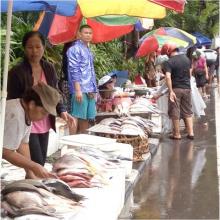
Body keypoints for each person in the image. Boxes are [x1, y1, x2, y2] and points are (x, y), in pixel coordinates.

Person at [7, 31, 75, 166]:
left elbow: (54, 92)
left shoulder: (49, 68)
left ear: (44, 47)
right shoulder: (17, 72)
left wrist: (62, 110)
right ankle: (33, 182)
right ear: (24, 49)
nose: (34, 51)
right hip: (27, 121)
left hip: (44, 120)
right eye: (30, 47)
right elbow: (13, 100)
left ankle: (32, 184)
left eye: (38, 47)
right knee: (35, 161)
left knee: (39, 162)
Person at [3, 83, 59, 179]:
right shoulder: (15, 115)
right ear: (32, 104)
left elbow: (23, 144)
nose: (44, 117)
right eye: (43, 113)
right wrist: (33, 166)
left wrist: (30, 172)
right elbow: (6, 152)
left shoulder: (26, 112)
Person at [67, 25, 97, 134]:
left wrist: (93, 89)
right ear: (79, 34)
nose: (88, 35)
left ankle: (82, 144)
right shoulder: (75, 49)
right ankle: (71, 144)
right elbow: (74, 70)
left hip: (89, 88)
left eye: (90, 33)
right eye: (86, 32)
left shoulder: (88, 49)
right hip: (79, 88)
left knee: (85, 117)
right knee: (75, 115)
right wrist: (78, 90)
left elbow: (90, 71)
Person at [161, 42, 194, 140]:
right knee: (187, 111)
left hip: (176, 89)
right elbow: (190, 74)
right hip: (187, 88)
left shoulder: (169, 62)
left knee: (174, 110)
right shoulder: (186, 59)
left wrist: (170, 91)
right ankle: (191, 133)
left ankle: (177, 134)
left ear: (168, 51)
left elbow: (167, 76)